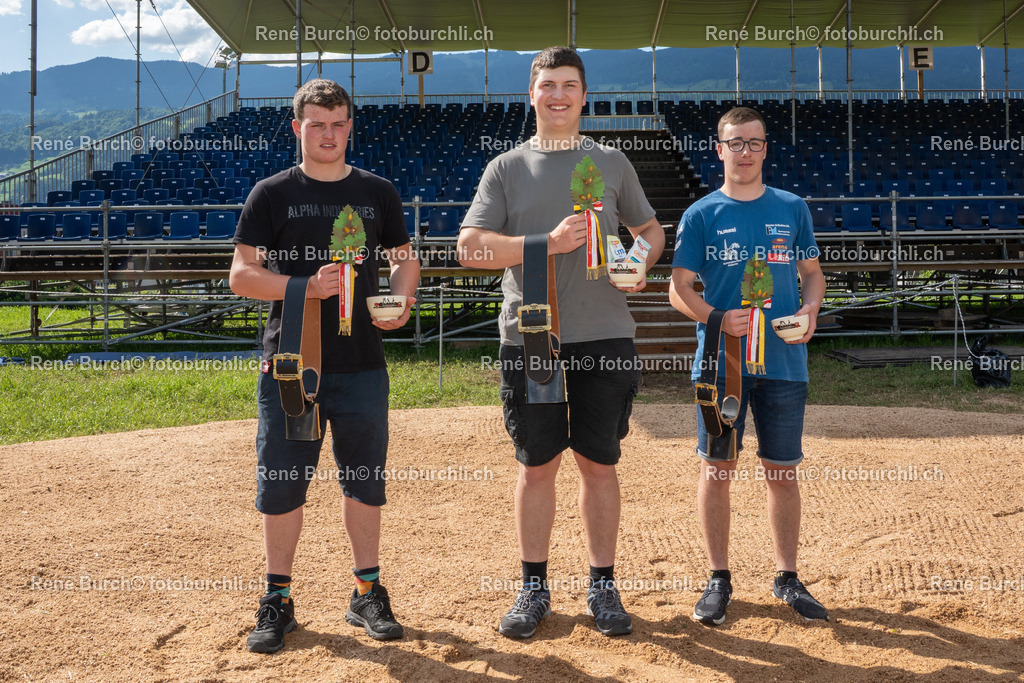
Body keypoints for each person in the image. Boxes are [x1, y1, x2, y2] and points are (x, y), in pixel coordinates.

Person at [458, 46, 665, 639]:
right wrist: (543, 243)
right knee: (537, 465)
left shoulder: (612, 161)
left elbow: (649, 229)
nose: (558, 95)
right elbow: (469, 248)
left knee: (599, 465)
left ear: (582, 94)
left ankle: (603, 584)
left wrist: (640, 259)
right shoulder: (505, 168)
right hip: (533, 337)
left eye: (569, 85)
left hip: (604, 335)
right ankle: (533, 587)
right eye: (547, 84)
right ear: (532, 93)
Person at [229, 78, 420, 653]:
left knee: (365, 482)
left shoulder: (377, 192)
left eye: (338, 124)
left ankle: (367, 591)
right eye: (317, 124)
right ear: (298, 128)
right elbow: (241, 276)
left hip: (363, 364)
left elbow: (405, 262)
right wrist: (305, 288)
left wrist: (402, 297)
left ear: (350, 128)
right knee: (283, 484)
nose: (329, 134)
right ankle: (278, 598)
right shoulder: (270, 193)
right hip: (292, 365)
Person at [668, 106, 828, 625]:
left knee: (781, 472)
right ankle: (719, 579)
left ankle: (787, 577)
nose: (745, 152)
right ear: (720, 150)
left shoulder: (792, 208)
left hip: (784, 361)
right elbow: (678, 289)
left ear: (765, 148)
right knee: (718, 471)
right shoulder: (700, 214)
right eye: (735, 143)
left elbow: (812, 273)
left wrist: (809, 309)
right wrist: (717, 318)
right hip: (723, 364)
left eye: (754, 143)